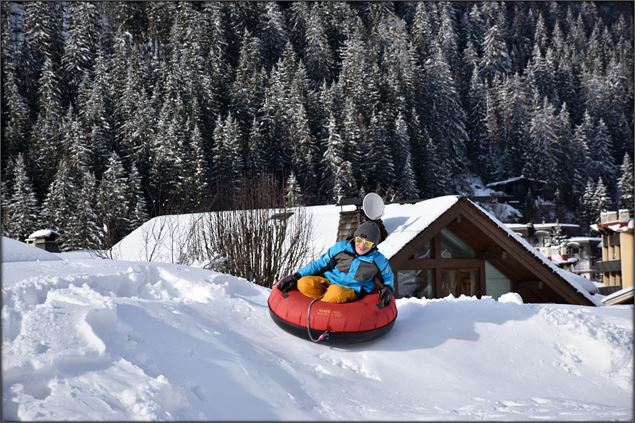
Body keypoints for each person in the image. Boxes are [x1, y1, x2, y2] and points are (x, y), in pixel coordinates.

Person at [277, 221, 394, 307]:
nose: (362, 245)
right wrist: (296, 275)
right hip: (329, 282)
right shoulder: (341, 248)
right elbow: (319, 264)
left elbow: (388, 276)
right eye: (359, 240)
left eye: (367, 243)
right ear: (355, 238)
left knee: (335, 293)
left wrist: (388, 288)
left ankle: (322, 310)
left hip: (352, 289)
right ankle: (320, 300)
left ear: (374, 245)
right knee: (304, 283)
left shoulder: (378, 260)